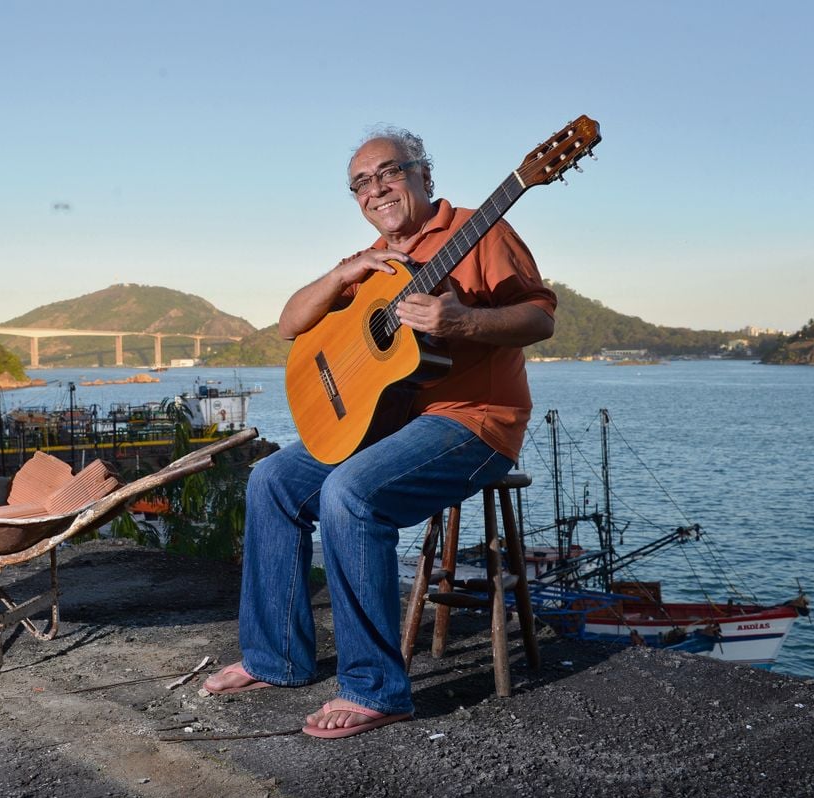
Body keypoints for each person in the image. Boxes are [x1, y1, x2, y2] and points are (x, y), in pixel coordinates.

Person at [203, 126, 557, 738]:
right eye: (361, 183)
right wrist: (345, 273)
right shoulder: (374, 261)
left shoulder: (482, 230)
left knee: (351, 492)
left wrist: (464, 321)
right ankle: (274, 658)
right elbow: (289, 324)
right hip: (394, 423)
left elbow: (540, 318)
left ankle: (375, 690)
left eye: (389, 172)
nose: (377, 189)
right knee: (272, 480)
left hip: (475, 423)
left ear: (424, 175)